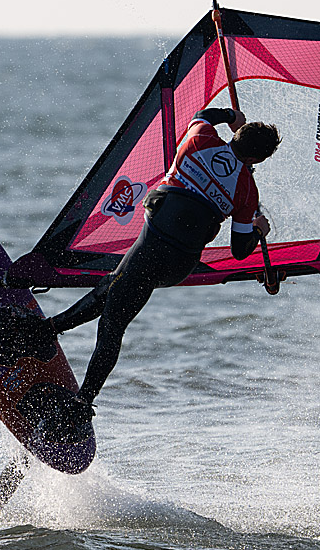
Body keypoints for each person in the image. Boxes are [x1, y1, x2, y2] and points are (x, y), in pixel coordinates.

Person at [42, 108, 282, 427]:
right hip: (180, 263)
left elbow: (202, 115)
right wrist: (258, 230)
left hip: (155, 243)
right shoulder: (247, 192)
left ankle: (81, 402)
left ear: (237, 134)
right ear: (260, 160)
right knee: (114, 291)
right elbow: (240, 249)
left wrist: (229, 115)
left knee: (114, 319)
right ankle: (48, 331)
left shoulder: (200, 139)